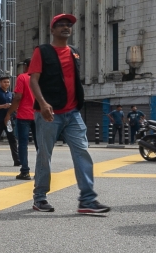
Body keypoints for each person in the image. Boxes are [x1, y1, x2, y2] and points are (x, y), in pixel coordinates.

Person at [28, 14, 109, 214]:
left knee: (82, 152)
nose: (66, 28)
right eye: (61, 25)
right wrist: (43, 103)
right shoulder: (42, 51)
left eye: (68, 25)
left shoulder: (74, 52)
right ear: (52, 30)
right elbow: (33, 80)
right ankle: (40, 197)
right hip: (49, 113)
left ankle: (87, 200)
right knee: (45, 155)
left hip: (72, 113)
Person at [4, 59, 36, 181]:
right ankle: (41, 171)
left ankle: (25, 171)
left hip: (24, 115)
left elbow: (17, 97)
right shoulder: (40, 78)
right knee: (40, 145)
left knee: (23, 144)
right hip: (37, 115)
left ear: (26, 66)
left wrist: (9, 113)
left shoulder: (22, 77)